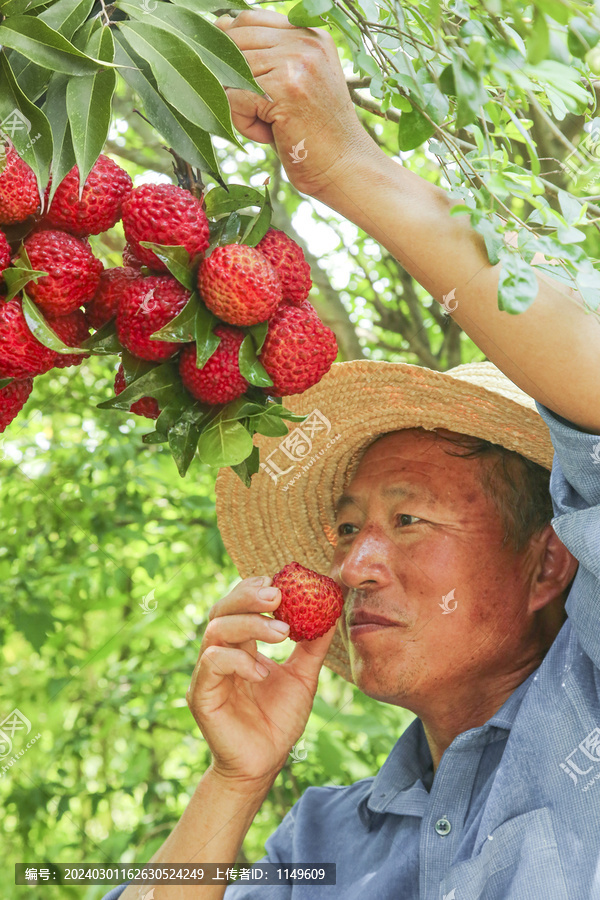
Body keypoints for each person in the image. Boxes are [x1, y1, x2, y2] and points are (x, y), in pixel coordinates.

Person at [103, 10, 600, 899]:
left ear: (549, 564)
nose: (351, 568)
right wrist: (233, 783)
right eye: (345, 527)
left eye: (407, 519)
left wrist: (347, 167)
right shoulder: (326, 838)